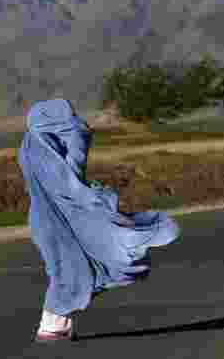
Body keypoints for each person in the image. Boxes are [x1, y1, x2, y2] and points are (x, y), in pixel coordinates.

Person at [18, 98, 180, 342]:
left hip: (50, 218)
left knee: (70, 268)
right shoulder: (54, 143)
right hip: (61, 217)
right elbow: (74, 168)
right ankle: (52, 324)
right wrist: (95, 199)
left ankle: (55, 324)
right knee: (72, 268)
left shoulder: (31, 146)